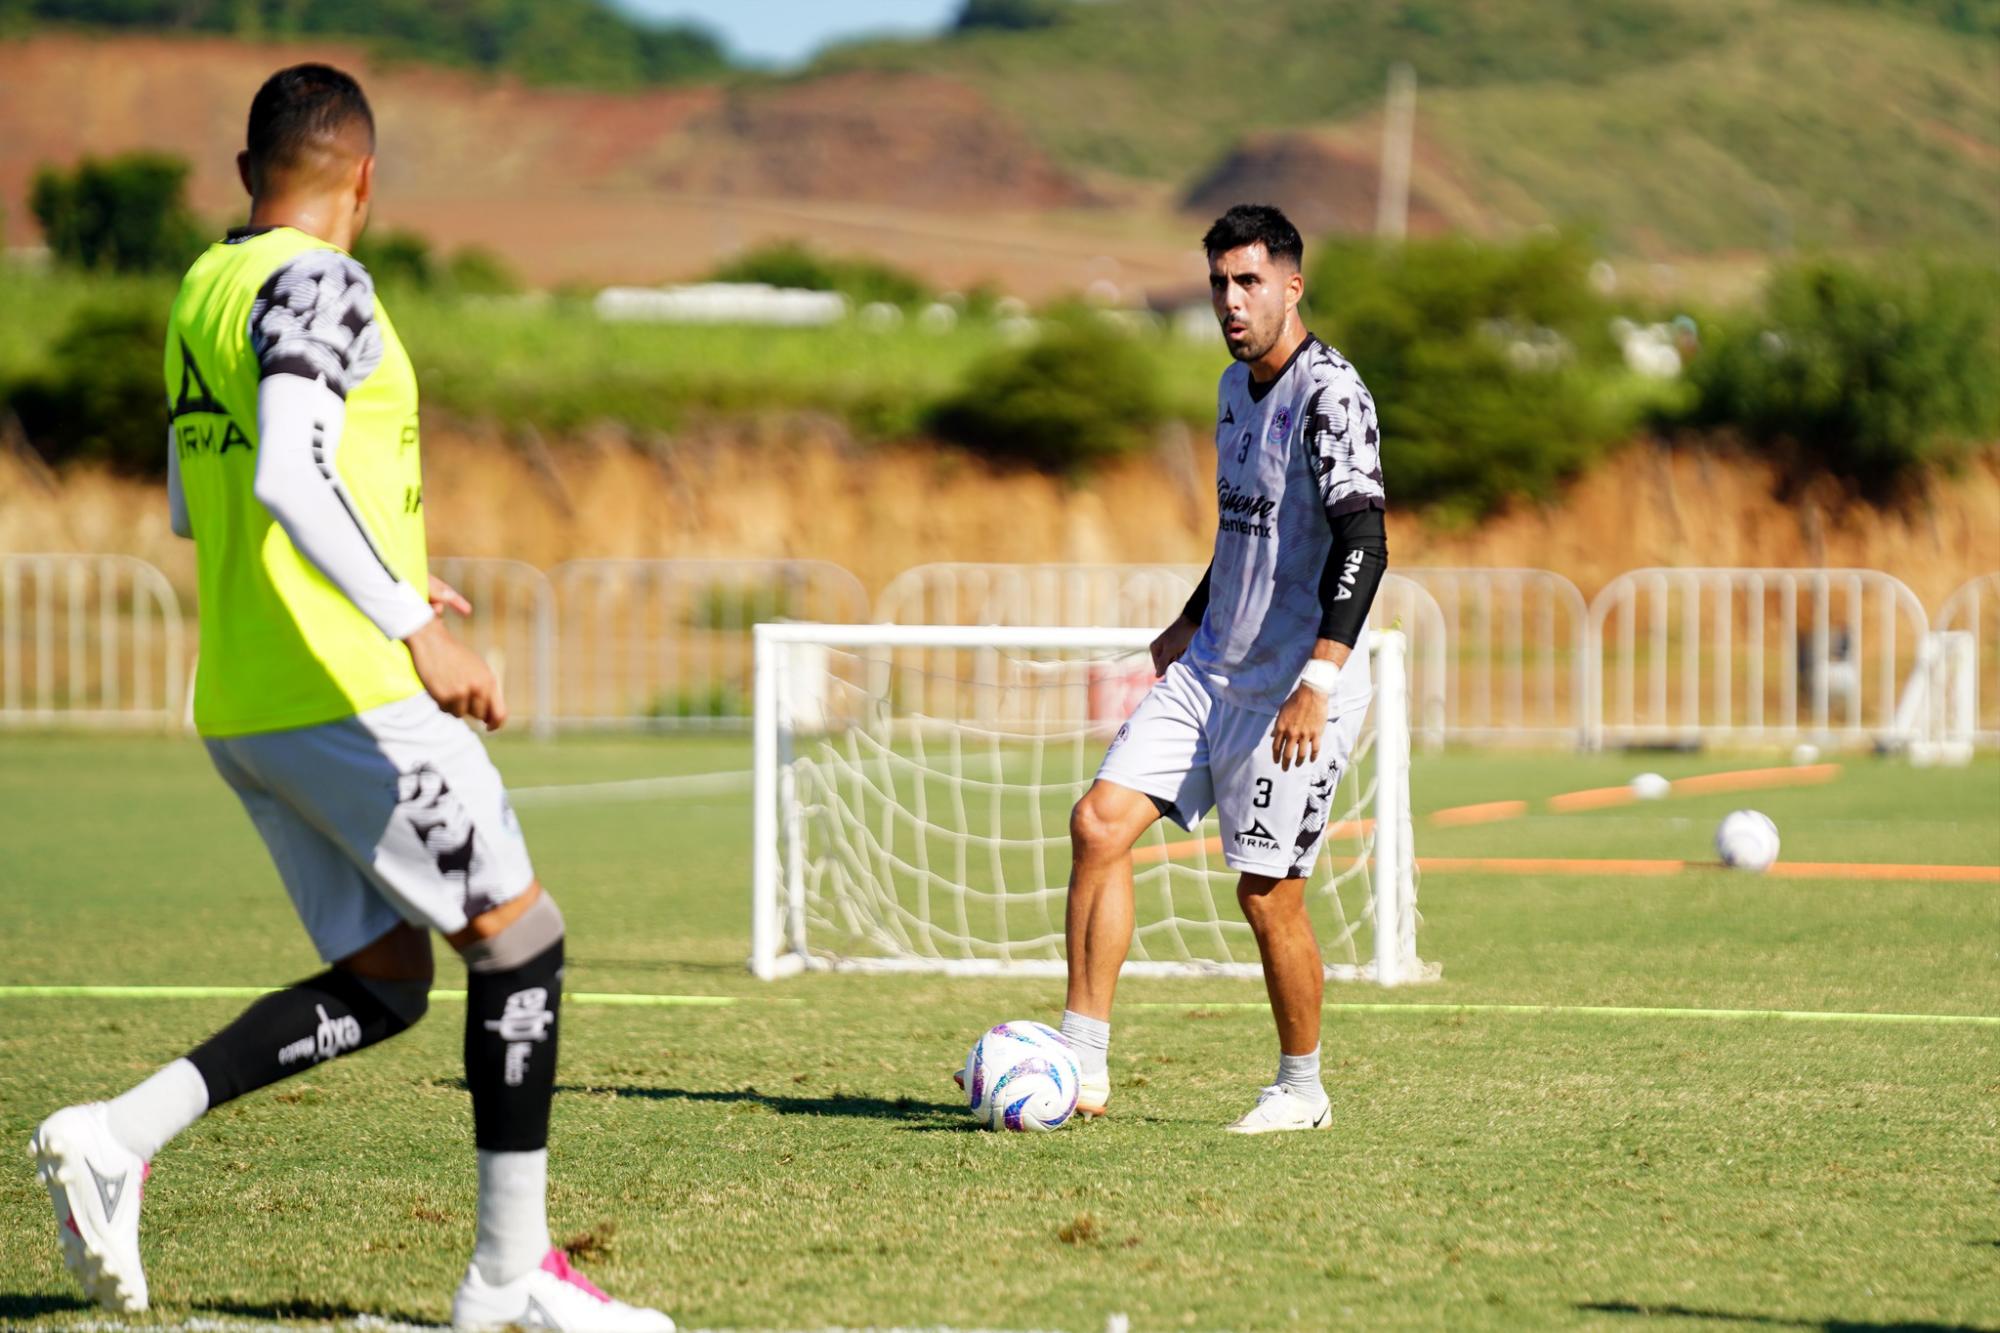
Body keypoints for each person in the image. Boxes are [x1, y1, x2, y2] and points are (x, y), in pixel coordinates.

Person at [28, 64, 672, 1329]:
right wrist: (409, 620)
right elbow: (287, 466)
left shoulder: (201, 287)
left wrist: (389, 562)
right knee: (519, 940)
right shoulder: (324, 279)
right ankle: (511, 1275)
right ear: (365, 179)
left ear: (244, 173)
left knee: (385, 979)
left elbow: (188, 500)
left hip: (246, 695)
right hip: (347, 685)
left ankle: (116, 1135)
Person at [1059, 204, 1389, 1133]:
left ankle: (1302, 1087)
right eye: (1218, 284)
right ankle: (1080, 1058)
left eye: (1248, 282)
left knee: (1266, 894)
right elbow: (1248, 528)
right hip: (1208, 670)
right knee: (1097, 823)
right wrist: (1188, 619)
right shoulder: (1229, 389)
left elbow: (1365, 539)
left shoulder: (1333, 394)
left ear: (1292, 285)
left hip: (1293, 688)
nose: (1230, 302)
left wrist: (1317, 682)